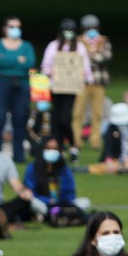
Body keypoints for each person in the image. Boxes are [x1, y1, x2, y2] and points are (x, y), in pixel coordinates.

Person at [40, 18, 92, 154]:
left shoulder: (79, 47)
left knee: (65, 118)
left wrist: (86, 77)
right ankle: (60, 147)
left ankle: (73, 144)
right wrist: (51, 72)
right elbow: (45, 65)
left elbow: (85, 66)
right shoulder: (53, 46)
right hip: (55, 87)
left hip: (70, 88)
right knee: (56, 118)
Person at [0, 16, 36, 161]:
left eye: (18, 27)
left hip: (21, 85)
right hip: (0, 84)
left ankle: (19, 155)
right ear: (5, 28)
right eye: (12, 26)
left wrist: (7, 61)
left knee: (20, 119)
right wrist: (17, 60)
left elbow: (29, 63)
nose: (15, 30)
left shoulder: (26, 46)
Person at [23, 136, 90, 221]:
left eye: (55, 149)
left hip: (63, 204)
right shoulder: (33, 168)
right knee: (32, 202)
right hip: (43, 204)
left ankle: (52, 215)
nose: (52, 152)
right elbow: (30, 192)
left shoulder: (64, 169)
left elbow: (70, 190)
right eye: (48, 148)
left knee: (85, 202)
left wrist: (64, 202)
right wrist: (48, 201)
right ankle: (56, 214)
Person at [72, 14, 112, 152]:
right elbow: (74, 58)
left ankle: (95, 140)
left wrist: (89, 56)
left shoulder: (103, 40)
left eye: (94, 27)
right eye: (88, 27)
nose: (91, 30)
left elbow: (106, 56)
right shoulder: (77, 41)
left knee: (98, 113)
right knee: (78, 112)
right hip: (81, 82)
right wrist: (93, 56)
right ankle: (76, 140)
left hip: (98, 81)